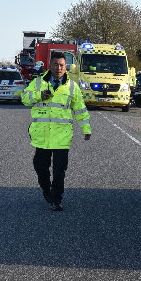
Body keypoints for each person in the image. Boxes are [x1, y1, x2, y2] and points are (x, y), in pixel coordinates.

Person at [21, 52, 91, 211]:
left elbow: (80, 109)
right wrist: (39, 96)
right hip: (42, 136)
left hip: (62, 136)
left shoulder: (72, 86)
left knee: (59, 171)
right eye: (55, 64)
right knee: (40, 167)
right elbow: (24, 98)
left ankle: (56, 199)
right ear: (50, 65)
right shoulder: (38, 83)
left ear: (65, 67)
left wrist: (86, 128)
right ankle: (47, 190)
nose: (58, 68)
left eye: (61, 65)